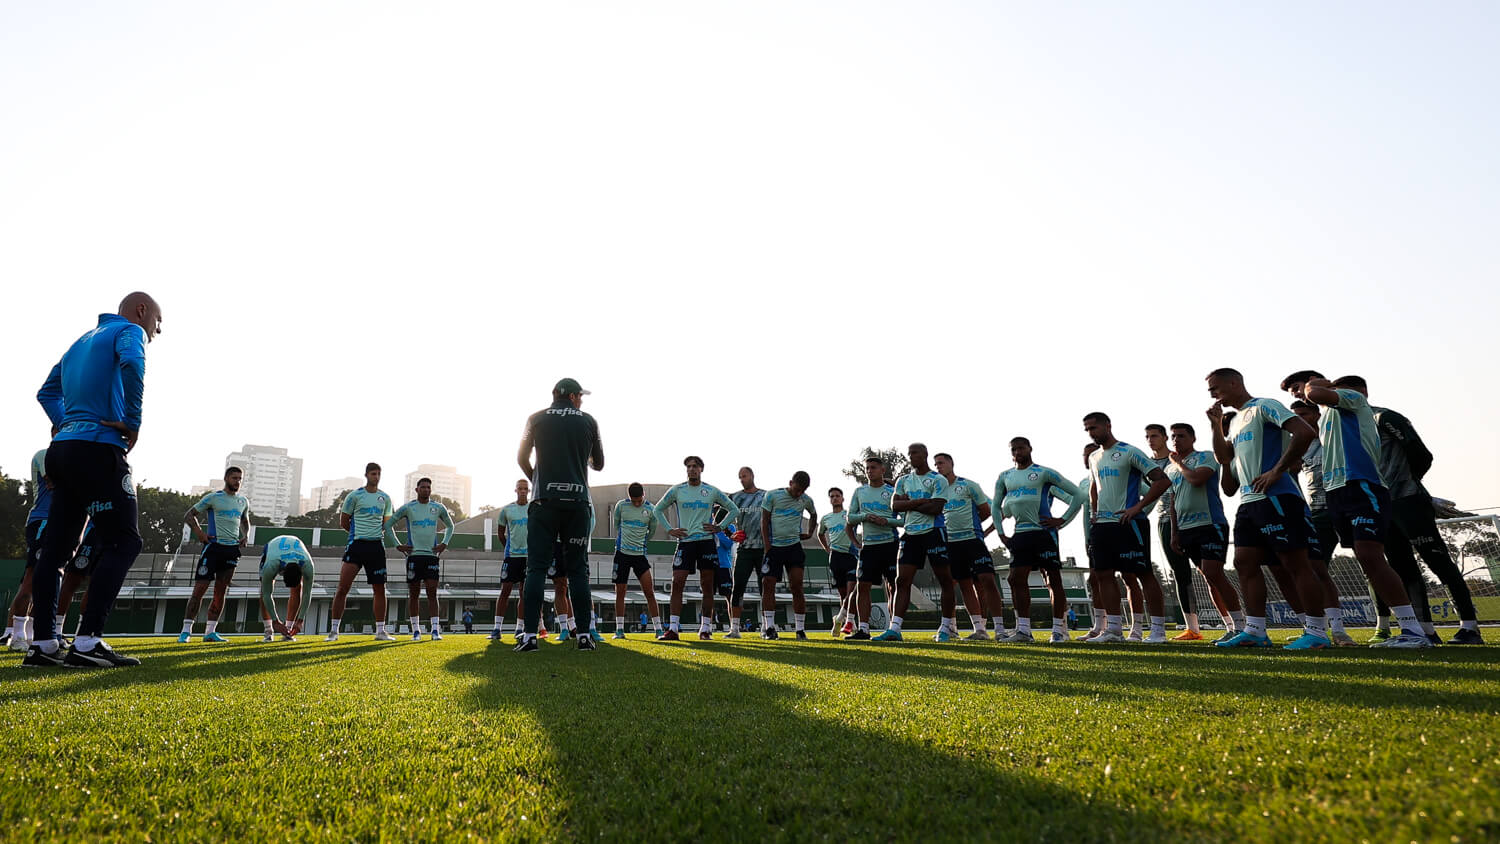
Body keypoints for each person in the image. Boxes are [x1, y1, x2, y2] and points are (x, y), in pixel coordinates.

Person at [28, 292, 162, 668]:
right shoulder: (130, 332)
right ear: (141, 311)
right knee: (125, 541)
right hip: (98, 448)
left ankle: (43, 645)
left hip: (62, 451)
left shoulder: (80, 342)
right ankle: (87, 641)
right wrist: (132, 422)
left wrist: (67, 423)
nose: (158, 330)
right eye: (157, 320)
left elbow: (46, 393)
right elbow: (133, 363)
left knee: (56, 551)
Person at [1285, 374, 1432, 648]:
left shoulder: (1351, 398)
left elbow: (1316, 393)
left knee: (1370, 555)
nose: (1297, 395)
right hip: (1337, 491)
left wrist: (1316, 384)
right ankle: (1404, 629)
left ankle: (1414, 630)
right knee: (1366, 559)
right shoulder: (1327, 416)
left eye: (1298, 388)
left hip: (1362, 485)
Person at [1333, 375, 1481, 644]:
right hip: (1379, 503)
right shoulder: (1346, 427)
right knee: (1402, 567)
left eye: (1345, 393)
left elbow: (1421, 454)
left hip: (1408, 500)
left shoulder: (1384, 417)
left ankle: (1469, 627)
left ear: (1361, 392)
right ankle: (1425, 631)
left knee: (1438, 562)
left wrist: (1411, 485)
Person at [1202, 369, 1336, 650]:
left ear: (1234, 383)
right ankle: (1256, 631)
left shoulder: (1264, 406)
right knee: (1243, 562)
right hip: (1249, 503)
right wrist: (1215, 425)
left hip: (1278, 498)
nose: (1212, 394)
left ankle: (1317, 633)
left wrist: (1277, 470)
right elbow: (1224, 458)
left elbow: (1305, 432)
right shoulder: (1235, 421)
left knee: (1296, 564)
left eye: (1215, 388)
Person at [515, 378, 605, 652]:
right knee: (578, 571)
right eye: (580, 397)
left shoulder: (536, 418)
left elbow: (521, 457)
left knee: (536, 569)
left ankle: (530, 637)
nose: (581, 401)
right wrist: (579, 456)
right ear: (574, 396)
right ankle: (584, 636)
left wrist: (537, 480)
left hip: (543, 502)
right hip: (577, 502)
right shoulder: (588, 421)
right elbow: (599, 463)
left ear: (555, 394)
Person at [1083, 413, 1173, 644]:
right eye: (1088, 429)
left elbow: (1162, 480)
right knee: (1103, 574)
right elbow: (1094, 488)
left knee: (1143, 574)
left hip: (1129, 523)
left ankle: (1158, 631)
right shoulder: (1093, 456)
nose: (1091, 433)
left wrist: (1138, 507)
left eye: (1094, 428)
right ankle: (1113, 630)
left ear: (1107, 426)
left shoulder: (1129, 451)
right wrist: (1094, 515)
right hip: (1102, 526)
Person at [991, 438, 1085, 645]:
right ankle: (1024, 630)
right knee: (1016, 579)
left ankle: (1058, 630)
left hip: (1044, 533)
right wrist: (1001, 533)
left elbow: (1078, 495)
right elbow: (996, 506)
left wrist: (1062, 520)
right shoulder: (1005, 476)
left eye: (1021, 448)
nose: (1018, 452)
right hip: (1020, 534)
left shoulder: (1044, 473)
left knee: (1053, 579)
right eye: (1014, 449)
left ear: (1030, 449)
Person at [1162, 423, 1246, 643]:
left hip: (1210, 524)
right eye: (1173, 436)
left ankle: (1241, 626)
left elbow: (1197, 479)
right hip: (1186, 529)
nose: (1176, 440)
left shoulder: (1205, 457)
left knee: (1214, 572)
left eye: (1181, 436)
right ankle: (1230, 626)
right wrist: (1174, 533)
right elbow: (1173, 502)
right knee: (1209, 578)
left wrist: (1179, 463)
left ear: (1193, 438)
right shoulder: (1169, 469)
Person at [1288, 400, 1360, 646]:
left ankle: (1399, 625)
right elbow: (1292, 473)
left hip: (1348, 505)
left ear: (1317, 414)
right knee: (1316, 569)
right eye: (1296, 416)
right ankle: (1330, 630)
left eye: (1305, 413)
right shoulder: (1300, 445)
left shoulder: (1334, 437)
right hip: (1318, 512)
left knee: (1371, 562)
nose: (1300, 419)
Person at [653, 456, 739, 641]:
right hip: (685, 543)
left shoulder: (711, 491)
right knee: (677, 582)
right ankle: (673, 629)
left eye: (695, 466)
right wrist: (670, 529)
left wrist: (720, 526)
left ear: (701, 469)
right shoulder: (677, 490)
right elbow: (657, 509)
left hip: (706, 542)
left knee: (707, 586)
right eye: (689, 466)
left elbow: (734, 509)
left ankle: (705, 629)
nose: (691, 469)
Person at [880, 443, 952, 642]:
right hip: (911, 534)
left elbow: (936, 508)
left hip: (934, 532)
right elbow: (895, 505)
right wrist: (919, 502)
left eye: (915, 453)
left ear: (925, 454)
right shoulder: (903, 480)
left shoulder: (938, 479)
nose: (911, 456)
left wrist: (908, 504)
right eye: (909, 453)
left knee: (945, 580)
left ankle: (945, 628)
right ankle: (895, 629)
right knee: (901, 581)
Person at [933, 453, 1003, 641]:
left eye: (941, 462)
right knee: (963, 584)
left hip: (973, 540)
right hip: (951, 544)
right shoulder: (936, 491)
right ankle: (978, 629)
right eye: (936, 464)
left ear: (951, 463)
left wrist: (981, 530)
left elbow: (988, 510)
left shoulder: (968, 485)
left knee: (987, 580)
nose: (938, 466)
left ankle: (1000, 629)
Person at [178, 466, 251, 643]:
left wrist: (245, 535)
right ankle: (186, 632)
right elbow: (189, 515)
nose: (237, 482)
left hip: (231, 550)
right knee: (199, 590)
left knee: (221, 591)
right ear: (226, 478)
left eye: (240, 479)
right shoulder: (213, 498)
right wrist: (199, 533)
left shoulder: (243, 501)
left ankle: (210, 632)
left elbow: (245, 521)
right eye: (234, 478)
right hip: (213, 548)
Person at [1144, 424, 1202, 640]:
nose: (1151, 440)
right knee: (1180, 573)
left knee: (1208, 571)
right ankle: (1192, 627)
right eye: (1147, 437)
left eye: (1155, 436)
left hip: (1190, 518)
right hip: (1165, 520)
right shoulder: (1146, 465)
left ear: (1165, 437)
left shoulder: (1176, 459)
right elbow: (1145, 491)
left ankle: (1233, 622)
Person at [328, 463, 395, 642]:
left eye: (379, 474)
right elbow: (344, 521)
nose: (376, 477)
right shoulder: (354, 496)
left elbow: (387, 523)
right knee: (343, 588)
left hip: (376, 547)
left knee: (379, 589)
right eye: (373, 473)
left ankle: (380, 631)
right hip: (356, 546)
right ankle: (334, 631)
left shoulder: (385, 498)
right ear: (366, 475)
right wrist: (357, 534)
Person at [388, 477, 455, 642]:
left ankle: (435, 630)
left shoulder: (438, 507)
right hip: (414, 556)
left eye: (428, 487)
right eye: (423, 487)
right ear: (417, 490)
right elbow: (388, 525)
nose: (426, 489)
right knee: (414, 593)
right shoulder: (408, 508)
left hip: (431, 556)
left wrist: (444, 543)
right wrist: (398, 545)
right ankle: (416, 631)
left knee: (432, 591)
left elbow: (450, 526)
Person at [844, 456, 900, 641]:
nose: (869, 471)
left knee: (893, 586)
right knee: (863, 586)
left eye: (873, 467)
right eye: (867, 468)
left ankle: (894, 628)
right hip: (869, 546)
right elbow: (850, 518)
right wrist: (865, 517)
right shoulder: (860, 492)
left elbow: (905, 520)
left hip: (890, 544)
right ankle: (864, 629)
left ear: (882, 470)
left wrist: (887, 521)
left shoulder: (892, 492)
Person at [759, 472, 818, 640]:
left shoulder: (806, 500)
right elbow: (764, 521)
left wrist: (810, 532)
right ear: (790, 483)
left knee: (797, 585)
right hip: (775, 547)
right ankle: (770, 628)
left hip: (794, 547)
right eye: (797, 489)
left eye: (802, 491)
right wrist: (767, 546)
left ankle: (800, 630)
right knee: (768, 584)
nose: (799, 493)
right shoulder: (772, 495)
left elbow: (814, 514)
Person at [7, 445, 54, 652]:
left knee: (47, 582)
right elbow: (53, 482)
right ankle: (17, 635)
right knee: (31, 579)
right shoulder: (45, 455)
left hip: (59, 523)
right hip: (42, 520)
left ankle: (31, 635)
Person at [612, 483, 664, 639]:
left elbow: (652, 531)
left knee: (649, 592)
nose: (636, 504)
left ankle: (658, 629)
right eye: (633, 501)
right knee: (620, 592)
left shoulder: (651, 509)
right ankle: (619, 630)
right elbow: (616, 525)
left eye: (639, 501)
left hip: (640, 555)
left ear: (644, 495)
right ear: (629, 497)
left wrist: (640, 543)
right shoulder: (621, 506)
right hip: (622, 554)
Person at [727, 468, 766, 638]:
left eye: (745, 476)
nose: (742, 479)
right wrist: (730, 534)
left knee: (765, 589)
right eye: (740, 477)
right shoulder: (734, 497)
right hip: (744, 549)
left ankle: (767, 627)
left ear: (752, 476)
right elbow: (718, 516)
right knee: (738, 588)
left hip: (763, 549)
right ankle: (735, 629)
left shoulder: (766, 496)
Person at [818, 488, 860, 638]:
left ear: (842, 498)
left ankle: (840, 618)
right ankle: (851, 625)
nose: (835, 498)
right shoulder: (826, 518)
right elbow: (820, 534)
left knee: (852, 592)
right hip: (835, 558)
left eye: (837, 496)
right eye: (832, 496)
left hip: (851, 556)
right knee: (843, 595)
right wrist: (827, 548)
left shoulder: (849, 515)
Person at [493, 480, 531, 641]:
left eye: (525, 489)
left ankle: (519, 628)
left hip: (528, 557)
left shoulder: (534, 508)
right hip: (511, 557)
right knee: (505, 591)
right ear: (515, 490)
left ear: (529, 491)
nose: (523, 491)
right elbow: (501, 534)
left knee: (524, 593)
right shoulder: (507, 510)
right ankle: (497, 629)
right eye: (520, 489)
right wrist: (509, 548)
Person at [258, 535, 314, 642]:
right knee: (265, 588)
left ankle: (288, 630)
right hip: (273, 546)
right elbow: (266, 594)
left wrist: (300, 620)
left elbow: (307, 593)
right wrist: (275, 621)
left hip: (294, 549)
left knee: (297, 589)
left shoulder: (308, 565)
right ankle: (268, 631)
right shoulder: (271, 565)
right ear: (282, 573)